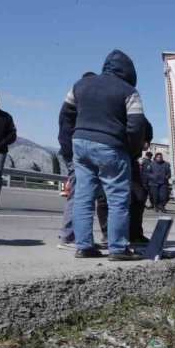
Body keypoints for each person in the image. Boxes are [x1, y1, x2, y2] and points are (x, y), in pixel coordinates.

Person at [58, 49, 146, 261]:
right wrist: (132, 152)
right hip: (111, 147)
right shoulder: (128, 91)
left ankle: (84, 246)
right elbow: (136, 125)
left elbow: (65, 117)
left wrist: (69, 147)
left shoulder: (80, 84)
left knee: (83, 197)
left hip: (80, 143)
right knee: (117, 200)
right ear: (129, 72)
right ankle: (117, 248)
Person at [58, 72, 109, 250]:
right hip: (75, 153)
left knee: (82, 193)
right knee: (79, 194)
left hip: (74, 152)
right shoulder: (76, 109)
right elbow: (66, 130)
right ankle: (70, 236)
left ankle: (74, 236)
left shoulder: (75, 106)